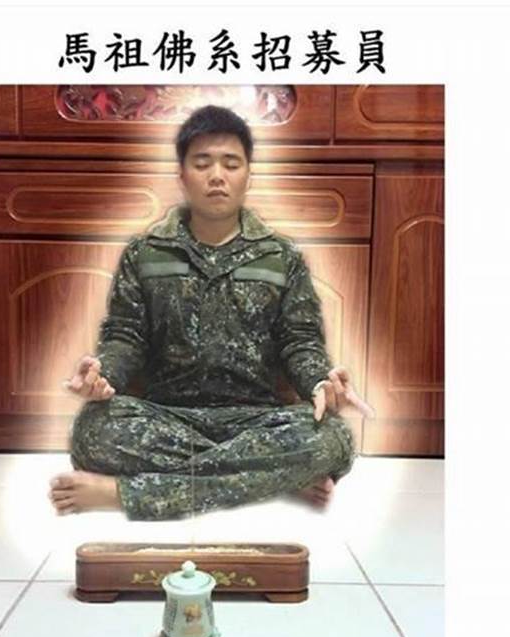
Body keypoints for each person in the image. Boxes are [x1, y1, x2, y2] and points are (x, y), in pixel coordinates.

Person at [49, 105, 371, 520]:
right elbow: (126, 337)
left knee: (333, 438)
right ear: (182, 176)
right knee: (91, 431)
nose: (217, 175)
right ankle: (275, 478)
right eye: (202, 163)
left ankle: (125, 494)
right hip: (167, 418)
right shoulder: (145, 253)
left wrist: (319, 381)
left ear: (248, 176)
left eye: (231, 164)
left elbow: (300, 341)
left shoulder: (281, 256)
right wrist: (103, 375)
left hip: (257, 419)